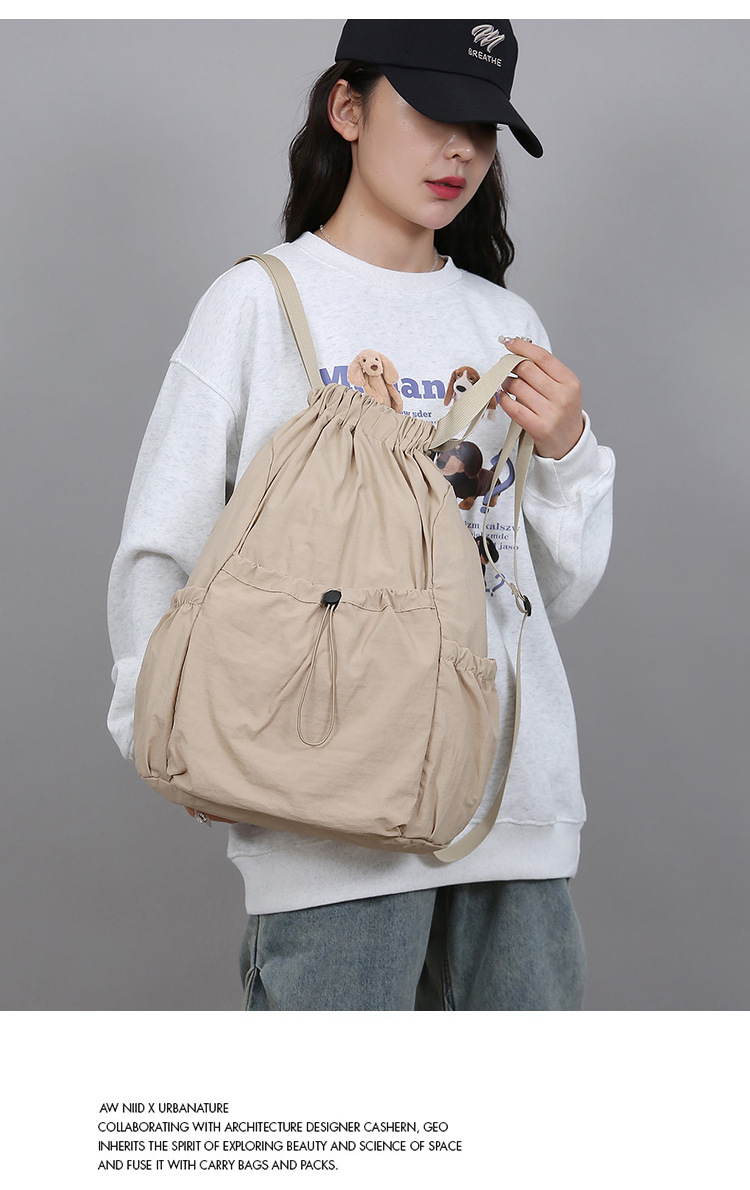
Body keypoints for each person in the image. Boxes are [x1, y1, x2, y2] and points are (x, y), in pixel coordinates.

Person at [106, 20, 615, 1011]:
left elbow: (541, 593)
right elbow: (160, 543)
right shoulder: (257, 303)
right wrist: (159, 725)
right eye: (432, 114)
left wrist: (569, 451)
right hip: (325, 807)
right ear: (348, 107)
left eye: (482, 126)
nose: (460, 150)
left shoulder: (506, 325)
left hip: (513, 807)